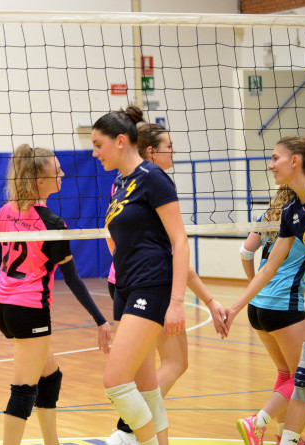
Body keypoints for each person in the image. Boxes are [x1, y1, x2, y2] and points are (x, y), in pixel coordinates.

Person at [105, 122, 228, 445]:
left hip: (140, 284)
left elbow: (175, 249)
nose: (174, 151)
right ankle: (128, 432)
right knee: (153, 374)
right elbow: (170, 251)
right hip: (136, 286)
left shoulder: (142, 182)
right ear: (150, 151)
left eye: (98, 145)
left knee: (148, 377)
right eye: (168, 146)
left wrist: (200, 300)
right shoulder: (130, 182)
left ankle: (131, 432)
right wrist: (191, 301)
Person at [0, 143, 111, 445]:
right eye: (56, 171)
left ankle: (52, 443)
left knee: (50, 376)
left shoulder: (5, 211)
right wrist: (100, 320)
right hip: (29, 310)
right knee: (23, 389)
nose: (63, 174)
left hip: (4, 305)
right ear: (40, 181)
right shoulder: (52, 224)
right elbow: (72, 279)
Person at [91, 105, 189, 445]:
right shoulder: (121, 182)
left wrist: (177, 302)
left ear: (120, 141)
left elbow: (179, 240)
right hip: (126, 287)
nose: (95, 153)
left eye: (98, 145)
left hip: (152, 285)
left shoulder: (153, 177)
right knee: (147, 388)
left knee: (116, 381)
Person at [226, 136, 305, 445]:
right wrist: (235, 307)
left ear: (295, 161)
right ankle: (277, 433)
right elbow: (268, 268)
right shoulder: (291, 212)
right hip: (293, 302)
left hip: (279, 304)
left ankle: (274, 429)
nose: (270, 165)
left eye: (274, 158)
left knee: (293, 374)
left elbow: (248, 252)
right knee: (303, 376)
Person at [235, 185, 305, 445]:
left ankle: (285, 436)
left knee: (285, 374)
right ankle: (257, 422)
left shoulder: (270, 215)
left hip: (257, 306)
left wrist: (254, 284)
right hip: (283, 306)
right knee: (302, 376)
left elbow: (245, 251)